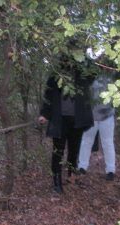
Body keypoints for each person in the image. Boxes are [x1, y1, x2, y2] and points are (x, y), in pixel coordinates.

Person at [38, 60, 94, 193]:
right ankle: (57, 183)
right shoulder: (55, 74)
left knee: (74, 151)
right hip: (59, 120)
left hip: (77, 120)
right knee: (58, 152)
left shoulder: (81, 74)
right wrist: (44, 114)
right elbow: (48, 95)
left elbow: (92, 76)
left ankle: (72, 177)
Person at [78, 72, 116, 180]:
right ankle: (82, 167)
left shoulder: (111, 76)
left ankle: (111, 170)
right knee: (86, 141)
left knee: (108, 143)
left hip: (107, 115)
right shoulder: (88, 76)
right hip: (91, 116)